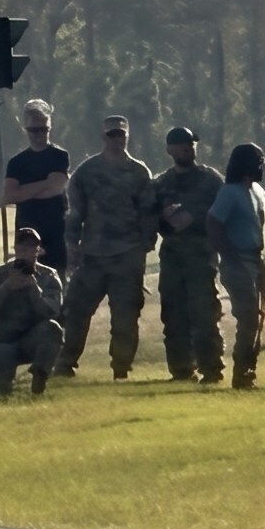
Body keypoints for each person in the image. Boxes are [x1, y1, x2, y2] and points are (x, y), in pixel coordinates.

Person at [59, 116, 157, 380]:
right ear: (103, 137)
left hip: (128, 254)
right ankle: (65, 364)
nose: (117, 139)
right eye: (112, 134)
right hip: (92, 254)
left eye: (121, 135)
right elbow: (75, 211)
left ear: (128, 136)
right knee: (77, 311)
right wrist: (71, 242)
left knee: (125, 317)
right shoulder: (86, 171)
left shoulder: (139, 172)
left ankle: (121, 369)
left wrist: (146, 244)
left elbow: (148, 211)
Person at [151, 126, 225, 384]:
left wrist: (194, 217)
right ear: (169, 149)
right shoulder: (160, 184)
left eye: (191, 143)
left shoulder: (211, 179)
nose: (188, 148)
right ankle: (182, 371)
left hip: (202, 256)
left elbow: (223, 212)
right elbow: (148, 219)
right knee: (173, 316)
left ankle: (211, 368)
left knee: (205, 314)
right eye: (182, 144)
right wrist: (164, 217)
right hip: (172, 257)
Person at [206, 145, 265, 390]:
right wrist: (231, 257)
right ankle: (241, 372)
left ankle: (249, 370)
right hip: (238, 262)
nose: (263, 167)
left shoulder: (258, 191)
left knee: (258, 318)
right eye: (259, 162)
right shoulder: (229, 193)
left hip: (257, 260)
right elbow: (213, 223)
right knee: (248, 318)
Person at [0, 226, 65, 396]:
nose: (26, 251)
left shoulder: (48, 276)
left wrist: (34, 289)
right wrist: (6, 287)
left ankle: (40, 377)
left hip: (31, 339)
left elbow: (52, 312)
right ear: (15, 249)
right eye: (22, 247)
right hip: (1, 341)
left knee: (52, 329)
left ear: (39, 250)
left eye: (31, 247)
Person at [3, 100, 72, 273]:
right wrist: (45, 184)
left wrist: (24, 190)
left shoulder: (59, 156)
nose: (38, 134)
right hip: (26, 235)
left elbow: (56, 189)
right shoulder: (16, 162)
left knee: (56, 284)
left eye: (43, 129)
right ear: (25, 128)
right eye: (33, 129)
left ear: (50, 126)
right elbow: (9, 196)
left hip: (55, 233)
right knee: (24, 280)